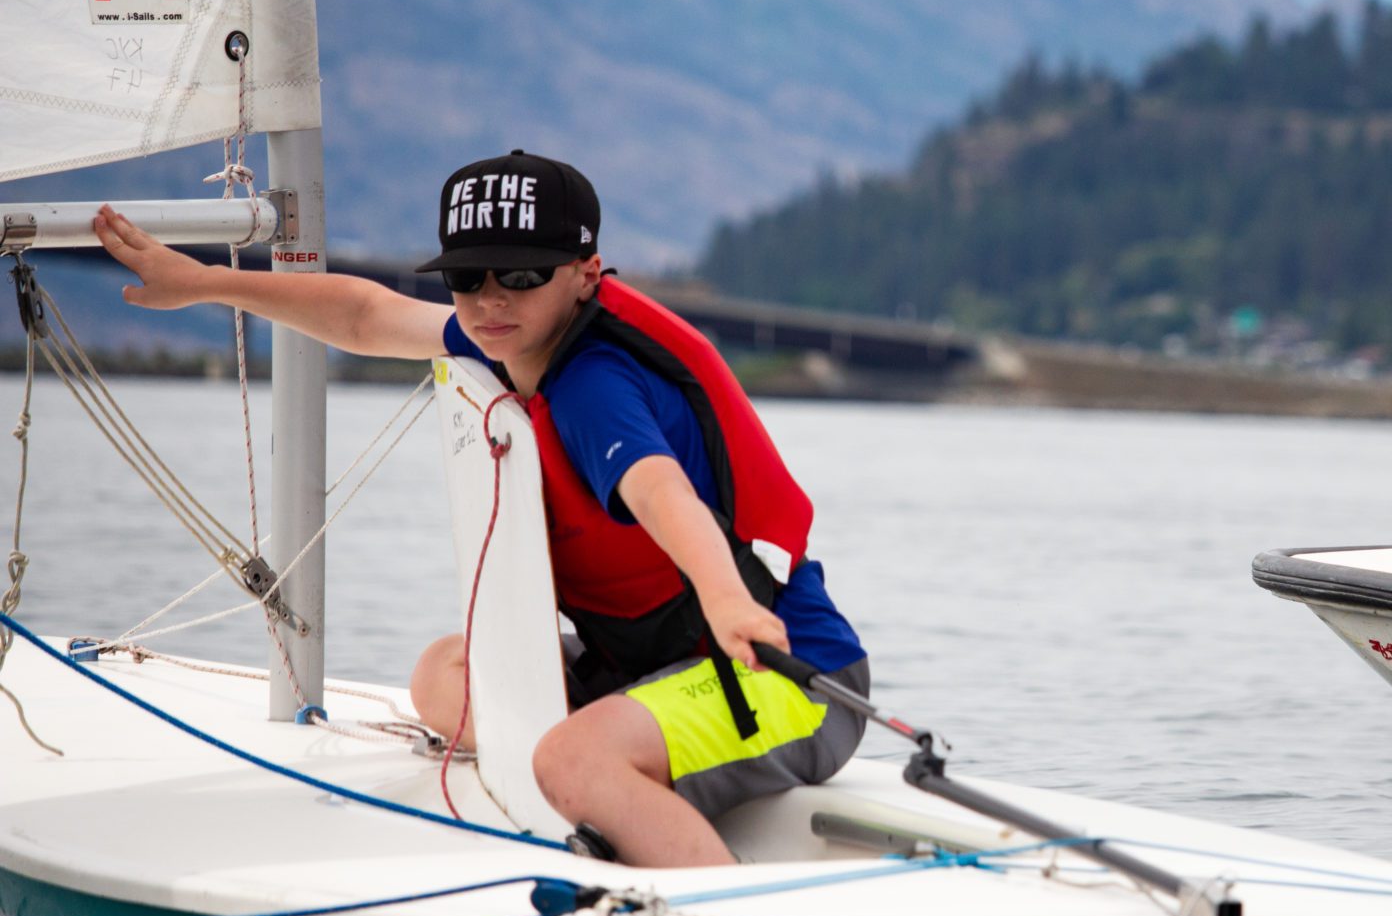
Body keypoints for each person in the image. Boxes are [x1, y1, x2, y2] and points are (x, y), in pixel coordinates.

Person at [94, 150, 868, 865]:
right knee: (443, 675)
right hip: (656, 662)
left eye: (521, 277)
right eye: (468, 278)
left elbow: (661, 493)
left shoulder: (595, 383)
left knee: (571, 760)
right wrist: (201, 282)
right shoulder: (498, 337)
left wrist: (728, 600)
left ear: (586, 273)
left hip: (781, 671)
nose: (491, 300)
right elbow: (362, 315)